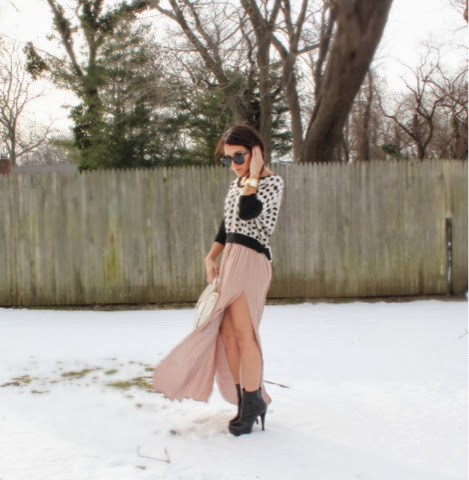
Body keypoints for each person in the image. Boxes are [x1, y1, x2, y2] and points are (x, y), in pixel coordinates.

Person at [153, 125, 284, 436]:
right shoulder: (238, 184)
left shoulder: (271, 183)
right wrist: (211, 257)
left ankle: (252, 403)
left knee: (244, 334)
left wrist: (253, 174)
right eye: (227, 159)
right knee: (226, 334)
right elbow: (228, 224)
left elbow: (248, 212)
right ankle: (246, 399)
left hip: (251, 261)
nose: (233, 164)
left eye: (239, 157)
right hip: (232, 260)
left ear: (256, 152)